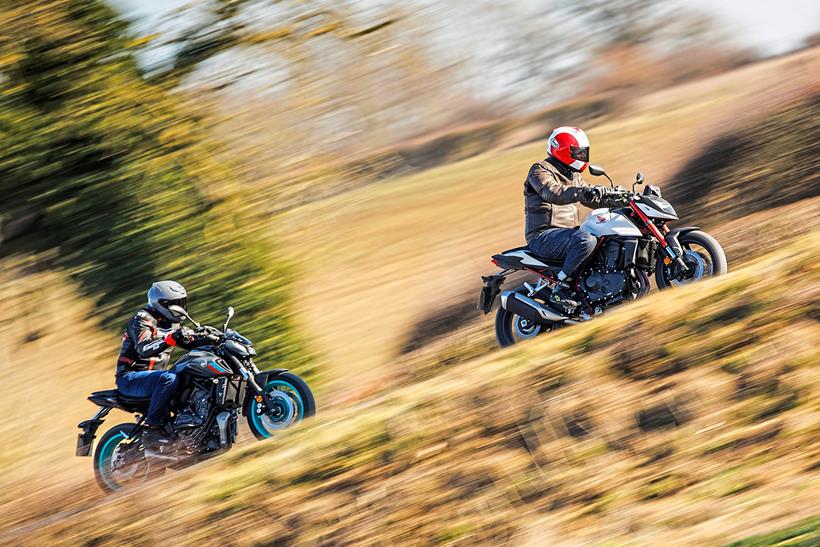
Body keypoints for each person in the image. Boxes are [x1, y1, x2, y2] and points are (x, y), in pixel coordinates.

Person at [524, 126, 622, 312]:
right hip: (543, 236)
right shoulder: (539, 170)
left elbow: (591, 198)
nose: (582, 156)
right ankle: (561, 288)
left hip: (568, 234)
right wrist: (582, 191)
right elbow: (553, 192)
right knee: (585, 240)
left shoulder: (573, 175)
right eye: (578, 152)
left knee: (605, 235)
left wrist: (623, 199)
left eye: (584, 152)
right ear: (562, 149)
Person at [116, 280, 201, 451]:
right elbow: (144, 348)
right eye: (177, 304)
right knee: (169, 378)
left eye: (182, 303)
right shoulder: (142, 319)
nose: (181, 308)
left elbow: (190, 343)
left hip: (154, 379)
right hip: (130, 378)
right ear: (162, 303)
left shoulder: (171, 323)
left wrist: (214, 338)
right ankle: (152, 429)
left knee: (190, 374)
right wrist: (170, 338)